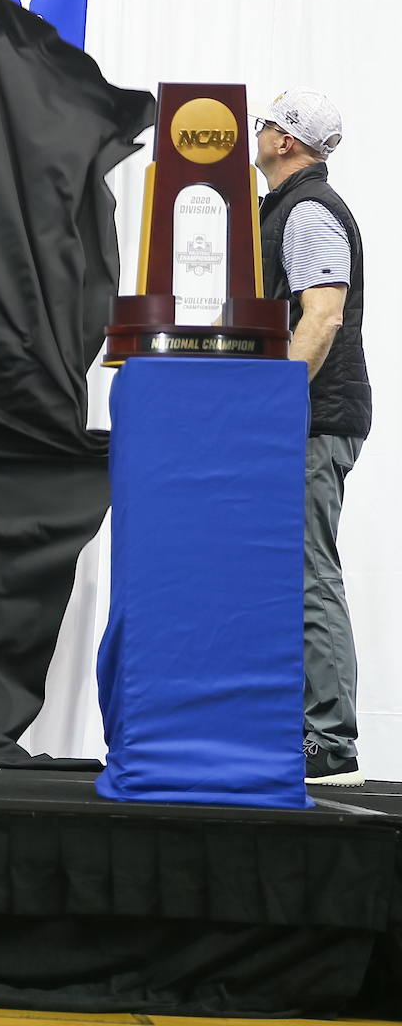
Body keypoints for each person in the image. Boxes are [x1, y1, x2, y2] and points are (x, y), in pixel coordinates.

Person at [255, 89, 371, 788]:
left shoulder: (307, 210)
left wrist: (272, 403)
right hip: (309, 417)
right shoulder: (289, 207)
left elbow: (322, 317)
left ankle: (332, 744)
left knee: (308, 575)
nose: (257, 130)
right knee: (293, 574)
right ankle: (309, 733)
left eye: (267, 122)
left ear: (287, 143)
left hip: (313, 420)